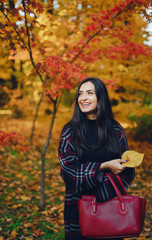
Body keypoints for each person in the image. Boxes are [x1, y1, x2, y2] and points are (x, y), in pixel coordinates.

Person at [58, 77, 135, 240]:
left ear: (101, 97)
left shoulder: (116, 130)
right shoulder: (70, 131)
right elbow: (69, 172)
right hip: (78, 208)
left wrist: (100, 192)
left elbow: (128, 172)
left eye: (90, 93)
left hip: (111, 210)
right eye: (80, 94)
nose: (83, 98)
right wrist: (104, 166)